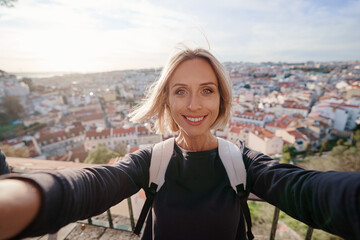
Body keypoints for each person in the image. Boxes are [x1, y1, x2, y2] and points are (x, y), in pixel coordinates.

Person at [0, 47, 359, 240]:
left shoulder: (242, 162)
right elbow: (94, 184)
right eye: (180, 92)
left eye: (207, 90)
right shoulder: (151, 160)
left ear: (221, 100)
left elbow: (306, 189)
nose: (194, 105)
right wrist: (25, 196)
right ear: (167, 102)